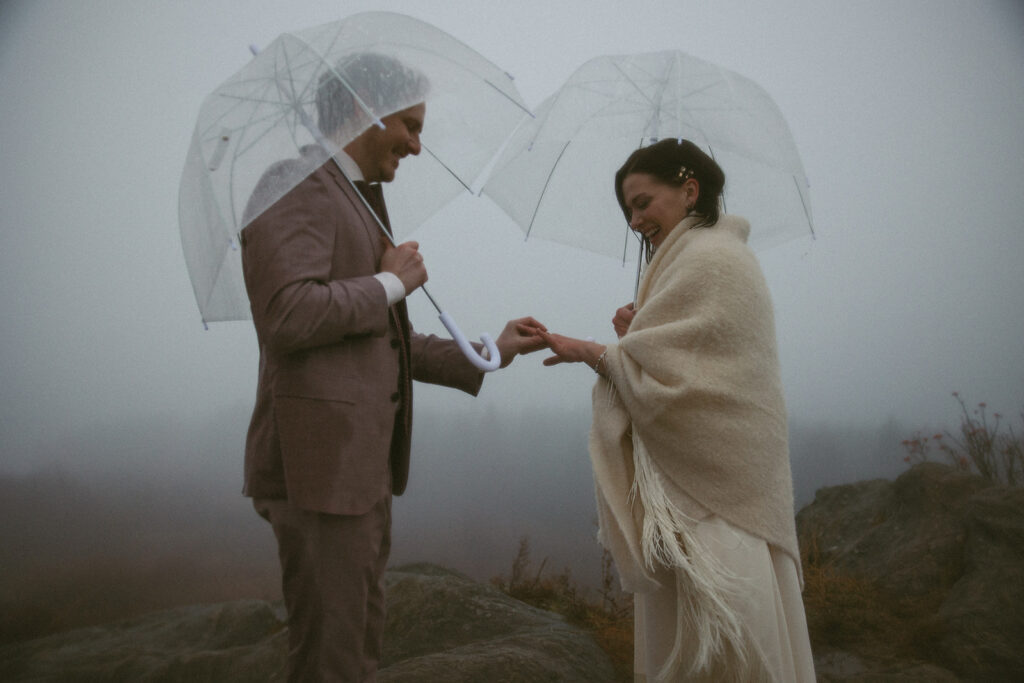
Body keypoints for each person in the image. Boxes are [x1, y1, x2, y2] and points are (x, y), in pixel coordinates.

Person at [239, 53, 546, 682]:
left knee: (353, 648)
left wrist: (491, 350)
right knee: (332, 657)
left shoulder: (359, 199)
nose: (416, 144)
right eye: (409, 125)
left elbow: (387, 342)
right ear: (361, 109)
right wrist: (386, 283)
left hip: (357, 473)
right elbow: (286, 316)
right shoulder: (293, 184)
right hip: (318, 474)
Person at [537, 139, 815, 682]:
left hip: (718, 500)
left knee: (728, 643)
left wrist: (593, 350)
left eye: (643, 202)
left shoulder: (713, 258)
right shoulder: (695, 258)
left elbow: (690, 389)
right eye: (628, 209)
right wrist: (638, 335)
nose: (635, 219)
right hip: (696, 490)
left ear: (689, 190)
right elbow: (677, 363)